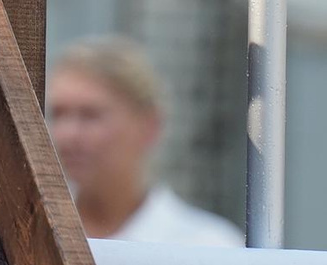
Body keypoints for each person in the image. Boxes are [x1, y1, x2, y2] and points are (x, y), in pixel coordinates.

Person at [46, 35, 244, 246]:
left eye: (90, 115)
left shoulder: (206, 245)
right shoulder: (31, 230)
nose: (68, 134)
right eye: (58, 114)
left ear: (149, 126)